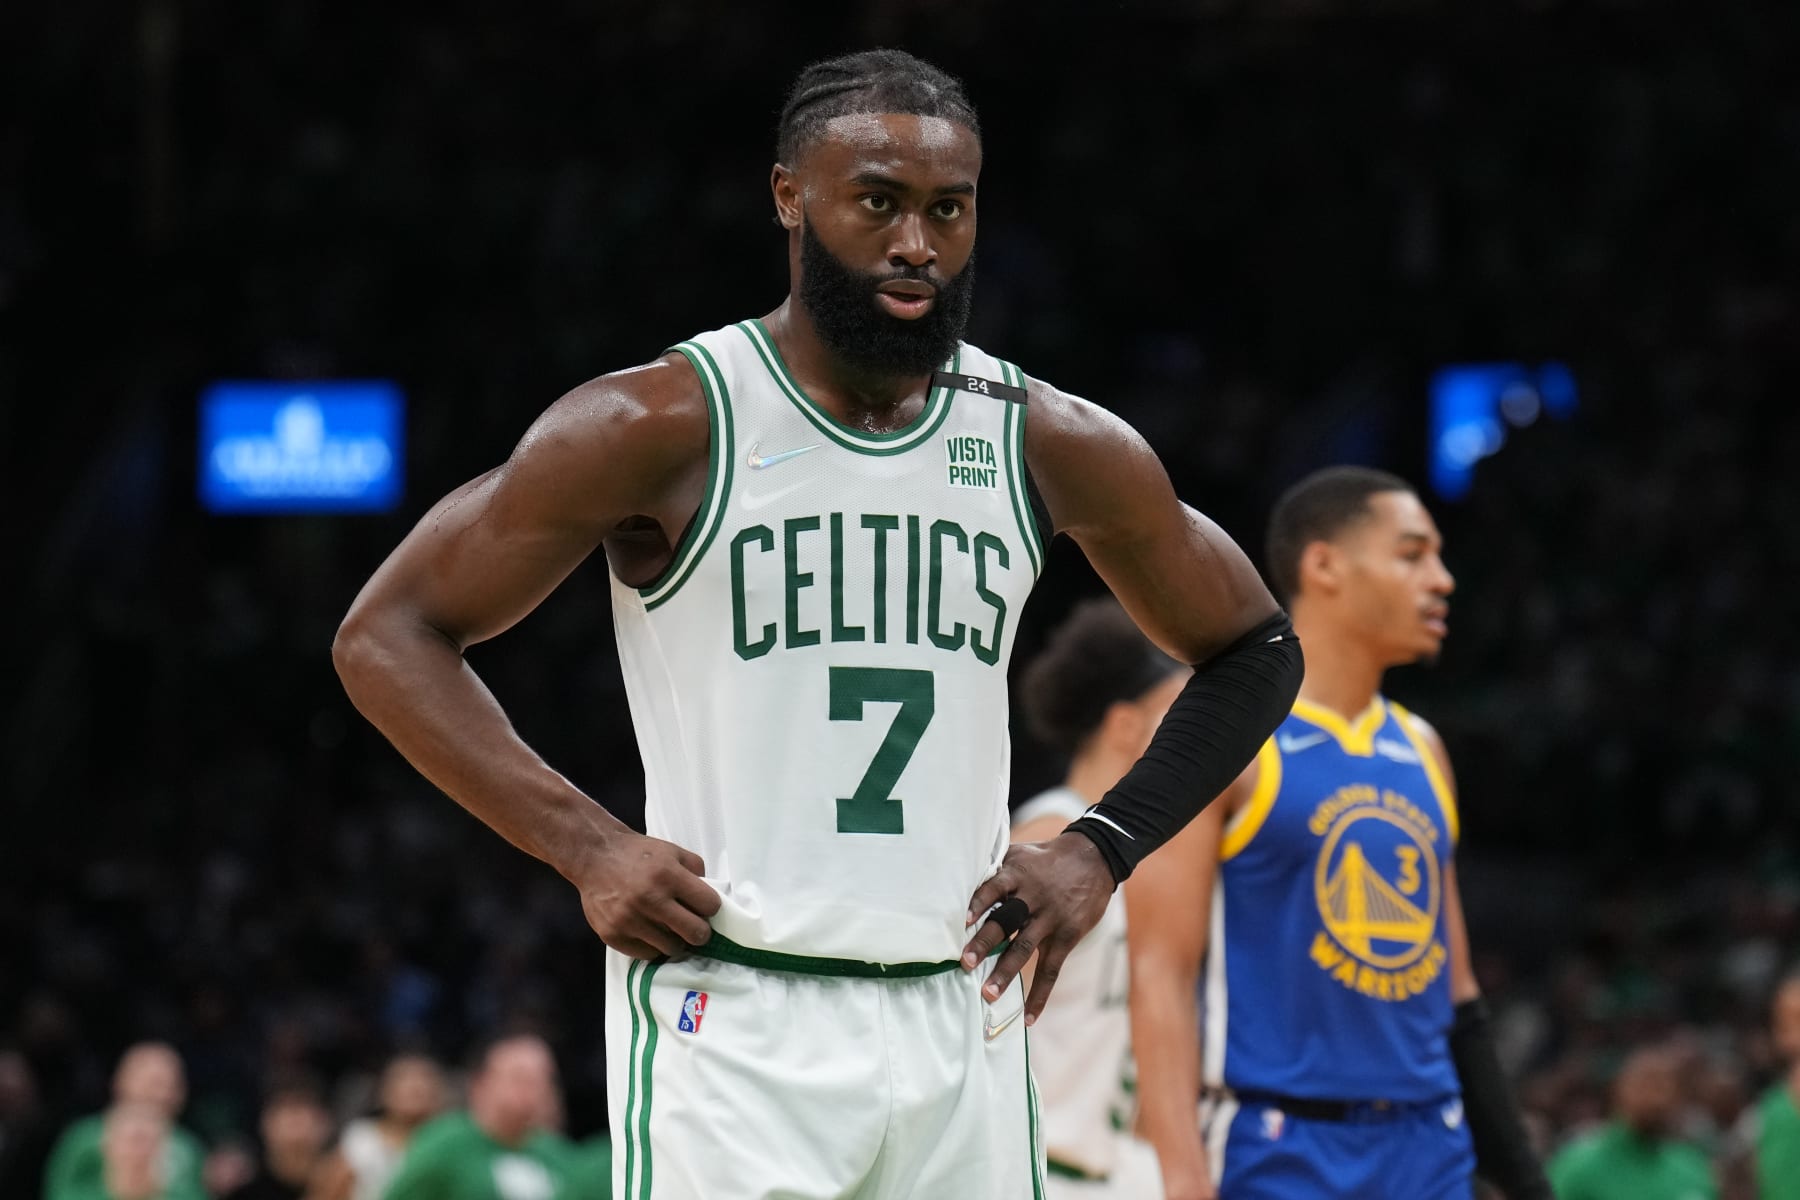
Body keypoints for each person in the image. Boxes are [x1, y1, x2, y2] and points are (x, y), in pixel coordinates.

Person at [334, 49, 1301, 1199]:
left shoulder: (1043, 435)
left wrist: (1101, 848)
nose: (917, 244)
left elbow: (1257, 648)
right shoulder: (664, 419)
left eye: (949, 210)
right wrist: (585, 845)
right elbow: (388, 634)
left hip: (961, 1010)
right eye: (879, 203)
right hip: (736, 1009)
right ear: (791, 197)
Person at [1129, 466, 1549, 1199]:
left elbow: (1457, 992)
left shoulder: (1424, 748)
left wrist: (1524, 1181)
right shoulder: (1232, 732)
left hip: (1430, 1145)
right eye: (1412, 555)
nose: (1442, 579)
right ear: (1323, 565)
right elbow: (1161, 968)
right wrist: (1181, 1176)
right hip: (1278, 1144)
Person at [1011, 597, 1187, 1196]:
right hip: (1038, 1168)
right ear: (1124, 727)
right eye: (1179, 718)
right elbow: (974, 1015)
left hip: (1114, 1170)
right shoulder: (1047, 839)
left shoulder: (1156, 859)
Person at [380, 1035, 579, 1200]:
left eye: (543, 1079)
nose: (534, 1089)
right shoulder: (445, 1144)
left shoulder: (559, 1155)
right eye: (520, 1077)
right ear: (481, 1083)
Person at [1548, 1045, 1718, 1200]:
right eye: (1644, 1085)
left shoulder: (1693, 1168)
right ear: (1617, 1091)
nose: (1655, 1098)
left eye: (1665, 1087)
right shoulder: (1577, 1168)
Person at [44, 1043, 206, 1200]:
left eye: (173, 1085)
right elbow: (59, 1189)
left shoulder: (188, 1146)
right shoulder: (82, 1138)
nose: (163, 1093)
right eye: (155, 1083)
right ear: (122, 1081)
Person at [307, 1054, 448, 1200]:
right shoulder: (361, 1138)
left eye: (424, 1079)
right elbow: (327, 1193)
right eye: (403, 1079)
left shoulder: (450, 1143)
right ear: (384, 1091)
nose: (415, 1087)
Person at [222, 1081, 331, 1200]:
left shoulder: (343, 1188)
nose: (296, 1123)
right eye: (286, 1110)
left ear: (326, 1122)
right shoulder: (243, 1196)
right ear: (265, 1123)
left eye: (304, 1109)